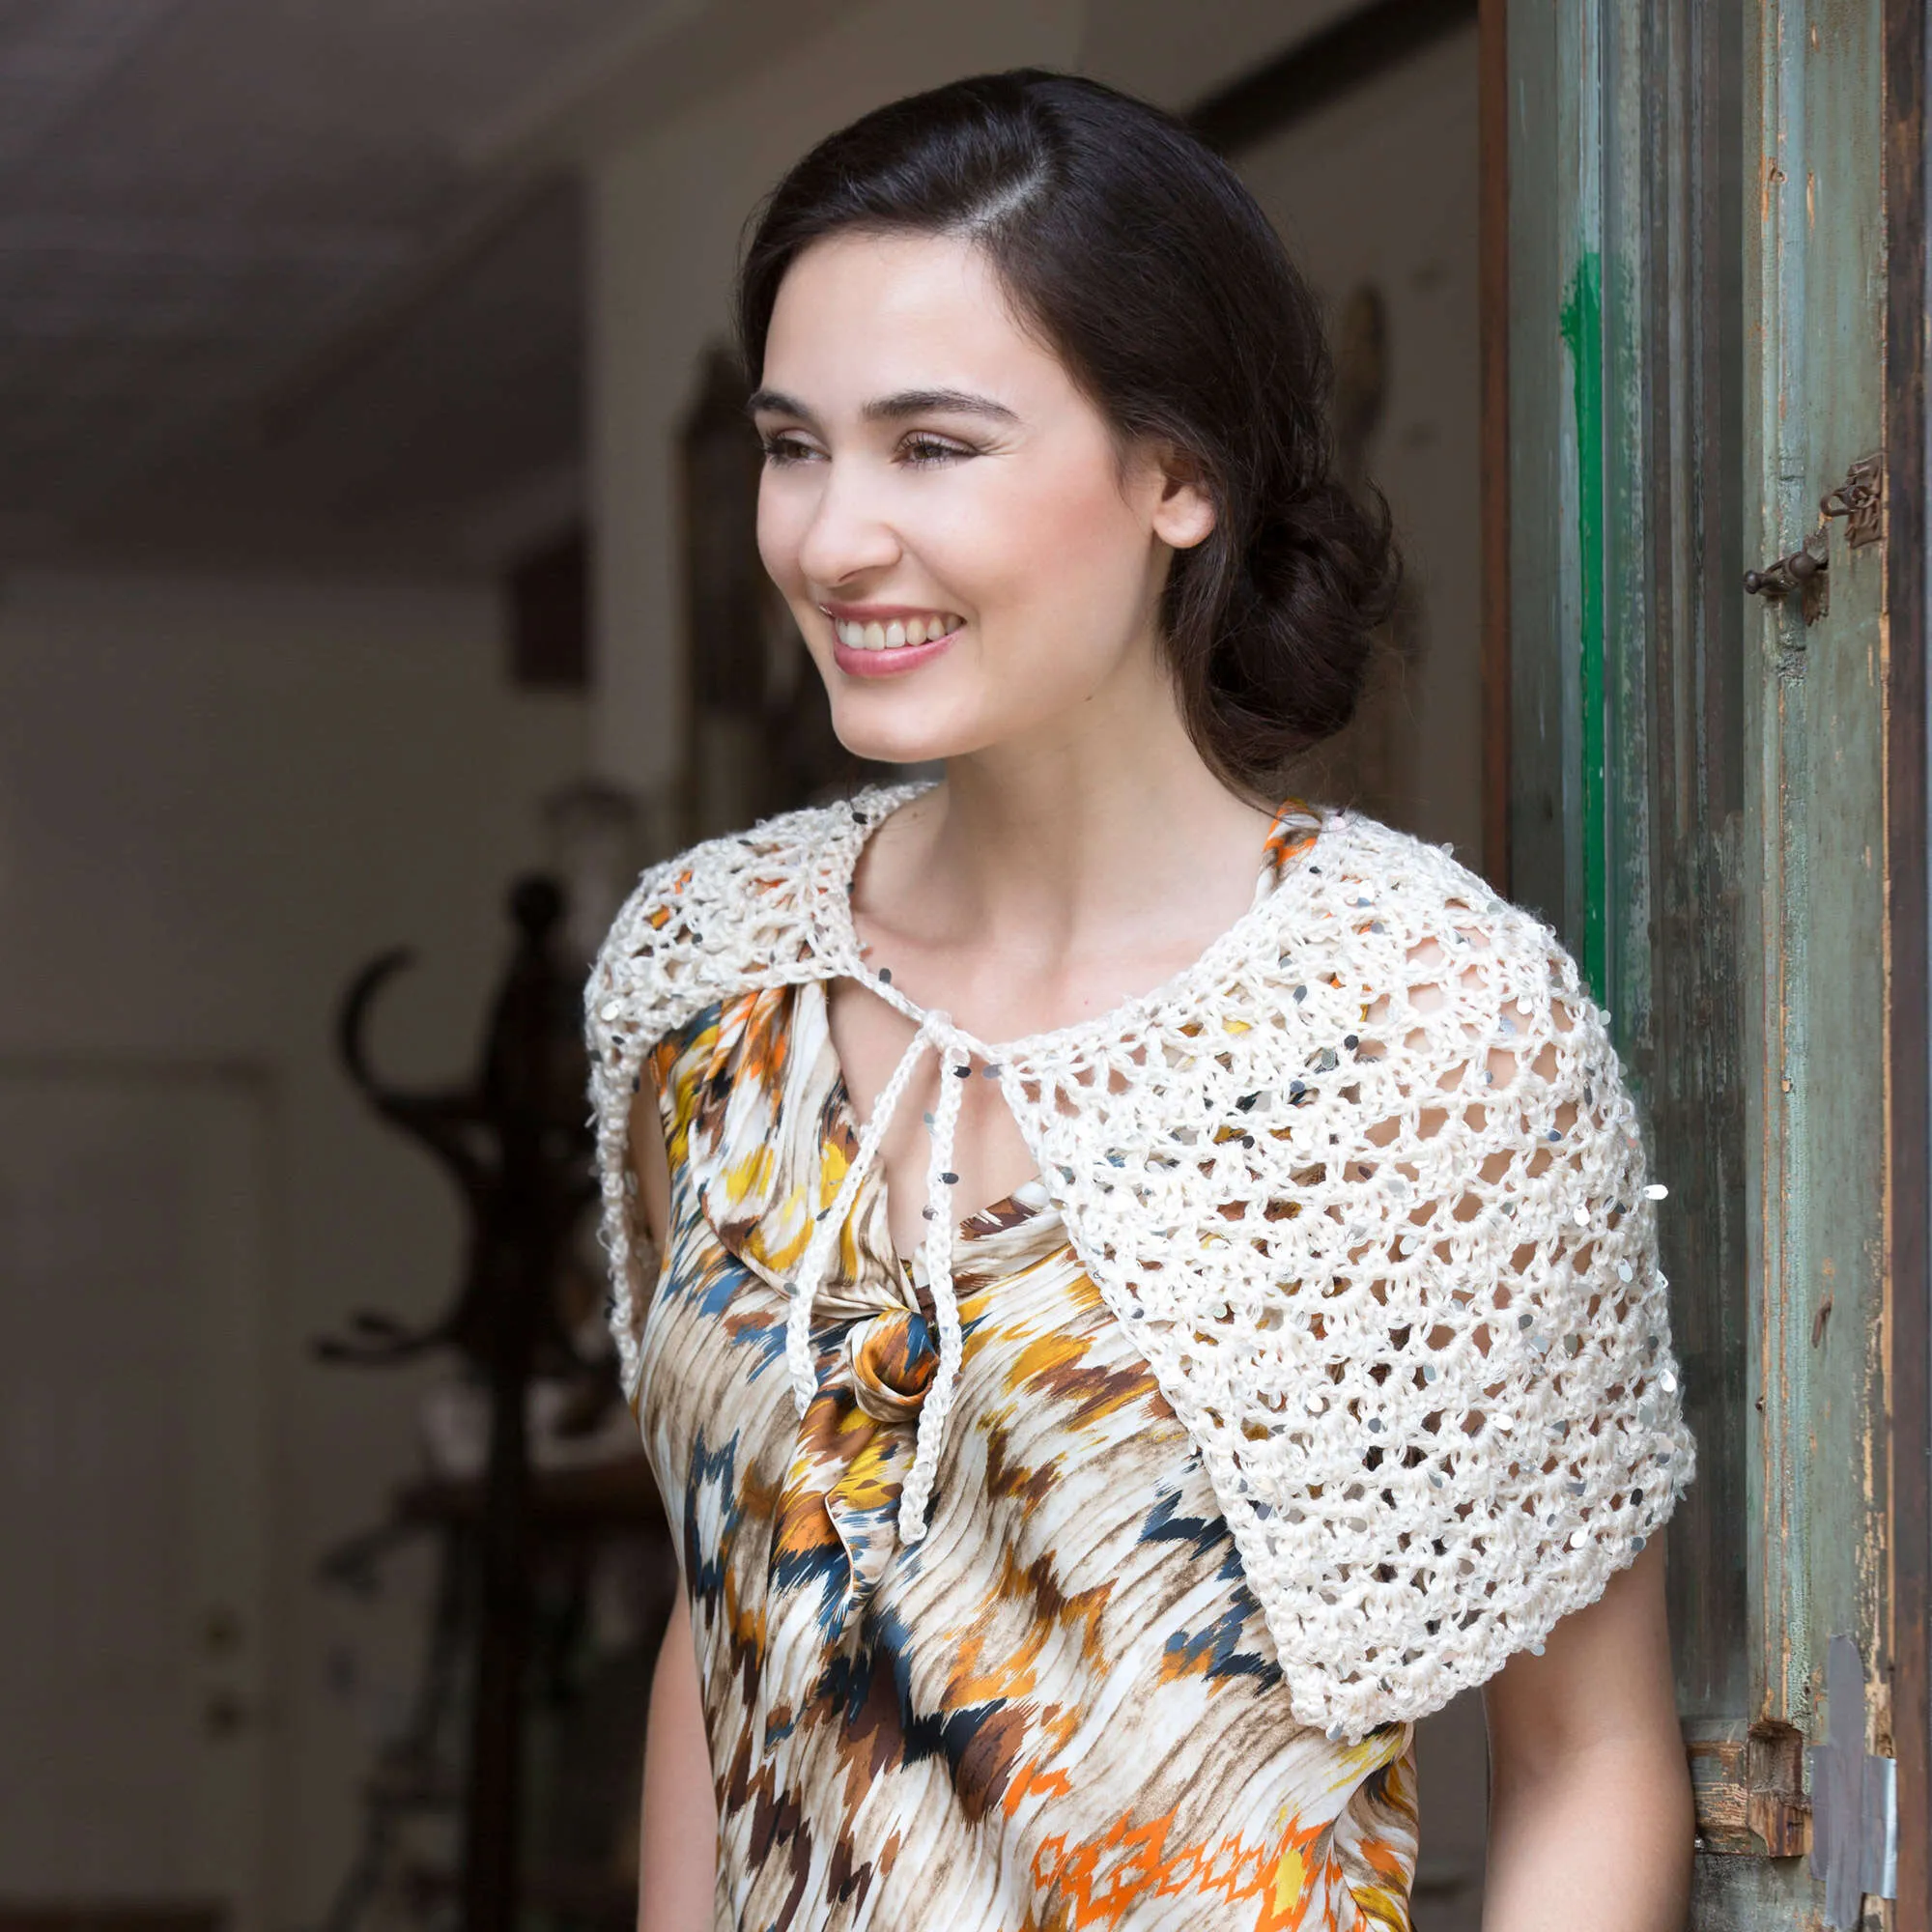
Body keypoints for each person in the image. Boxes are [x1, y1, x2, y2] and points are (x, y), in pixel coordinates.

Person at [587, 70, 1696, 1932]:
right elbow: (726, 1633)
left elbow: (1589, 1759)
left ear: (1182, 476)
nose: (834, 536)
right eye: (798, 446)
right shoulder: (702, 980)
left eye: (933, 447)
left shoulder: (1421, 1025)